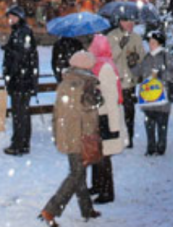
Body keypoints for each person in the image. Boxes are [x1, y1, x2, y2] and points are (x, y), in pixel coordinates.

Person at [39, 51, 103, 225]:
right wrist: (92, 135)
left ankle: (86, 209)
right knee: (76, 174)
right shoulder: (84, 85)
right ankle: (50, 210)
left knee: (79, 173)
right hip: (79, 135)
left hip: (67, 133)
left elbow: (59, 111)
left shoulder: (66, 82)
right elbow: (87, 115)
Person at [89, 34, 124, 204]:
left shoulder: (105, 68)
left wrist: (114, 125)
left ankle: (107, 191)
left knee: (104, 156)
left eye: (92, 46)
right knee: (96, 153)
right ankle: (97, 185)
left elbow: (111, 98)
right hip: (97, 114)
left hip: (105, 116)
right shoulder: (97, 65)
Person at [136, 29, 173, 155]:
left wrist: (161, 74)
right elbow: (139, 74)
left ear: (160, 43)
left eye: (153, 42)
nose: (151, 44)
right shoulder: (146, 57)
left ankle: (161, 147)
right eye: (150, 42)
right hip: (148, 97)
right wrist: (132, 64)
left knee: (162, 124)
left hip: (162, 97)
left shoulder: (166, 56)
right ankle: (150, 147)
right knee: (149, 124)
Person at [3, 4, 39, 156]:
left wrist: (9, 51)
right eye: (9, 17)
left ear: (19, 18)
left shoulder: (22, 32)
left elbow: (22, 57)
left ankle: (19, 144)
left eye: (12, 16)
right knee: (22, 112)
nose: (10, 19)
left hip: (21, 80)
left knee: (20, 113)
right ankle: (22, 143)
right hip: (22, 80)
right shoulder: (20, 32)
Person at [107, 17, 146, 147]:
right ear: (120, 22)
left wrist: (136, 59)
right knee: (115, 109)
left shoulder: (136, 37)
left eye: (132, 21)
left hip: (129, 80)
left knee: (129, 110)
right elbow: (109, 56)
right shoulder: (112, 36)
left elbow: (142, 56)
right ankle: (116, 135)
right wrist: (120, 45)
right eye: (127, 21)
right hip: (115, 79)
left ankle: (129, 136)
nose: (130, 24)